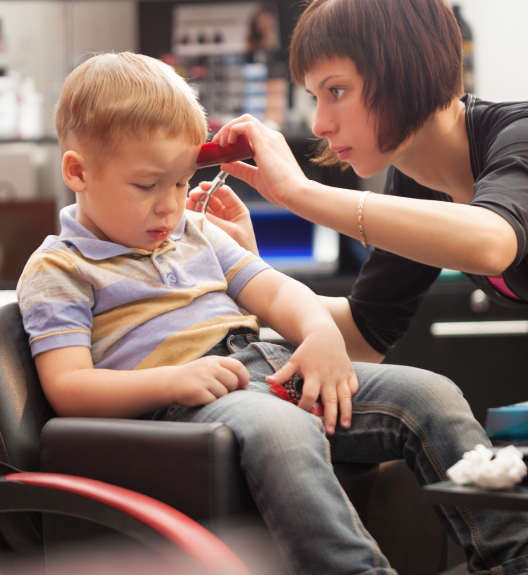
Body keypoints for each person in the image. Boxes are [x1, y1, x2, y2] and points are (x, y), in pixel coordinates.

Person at [16, 52, 528, 575]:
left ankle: (514, 558)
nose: (170, 206)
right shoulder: (59, 269)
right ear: (79, 171)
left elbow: (277, 292)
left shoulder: (197, 232)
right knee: (284, 428)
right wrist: (174, 381)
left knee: (430, 394)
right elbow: (70, 387)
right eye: (147, 185)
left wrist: (318, 333)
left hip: (271, 368)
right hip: (187, 405)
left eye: (178, 183)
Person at [192, 0, 528, 369]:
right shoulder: (417, 181)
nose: (319, 124)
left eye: (336, 91)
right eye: (314, 97)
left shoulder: (518, 135)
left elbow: (492, 243)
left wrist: (299, 193)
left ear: (408, 70)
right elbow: (363, 334)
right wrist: (248, 272)